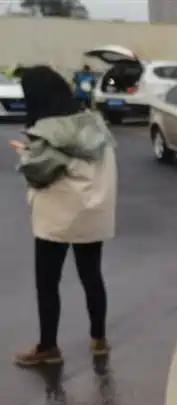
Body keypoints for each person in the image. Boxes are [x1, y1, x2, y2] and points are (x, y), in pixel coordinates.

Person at [12, 65, 117, 367]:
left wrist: (25, 153)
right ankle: (99, 339)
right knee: (91, 276)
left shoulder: (49, 130)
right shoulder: (94, 123)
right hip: (92, 213)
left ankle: (48, 346)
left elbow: (40, 172)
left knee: (47, 282)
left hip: (57, 217)